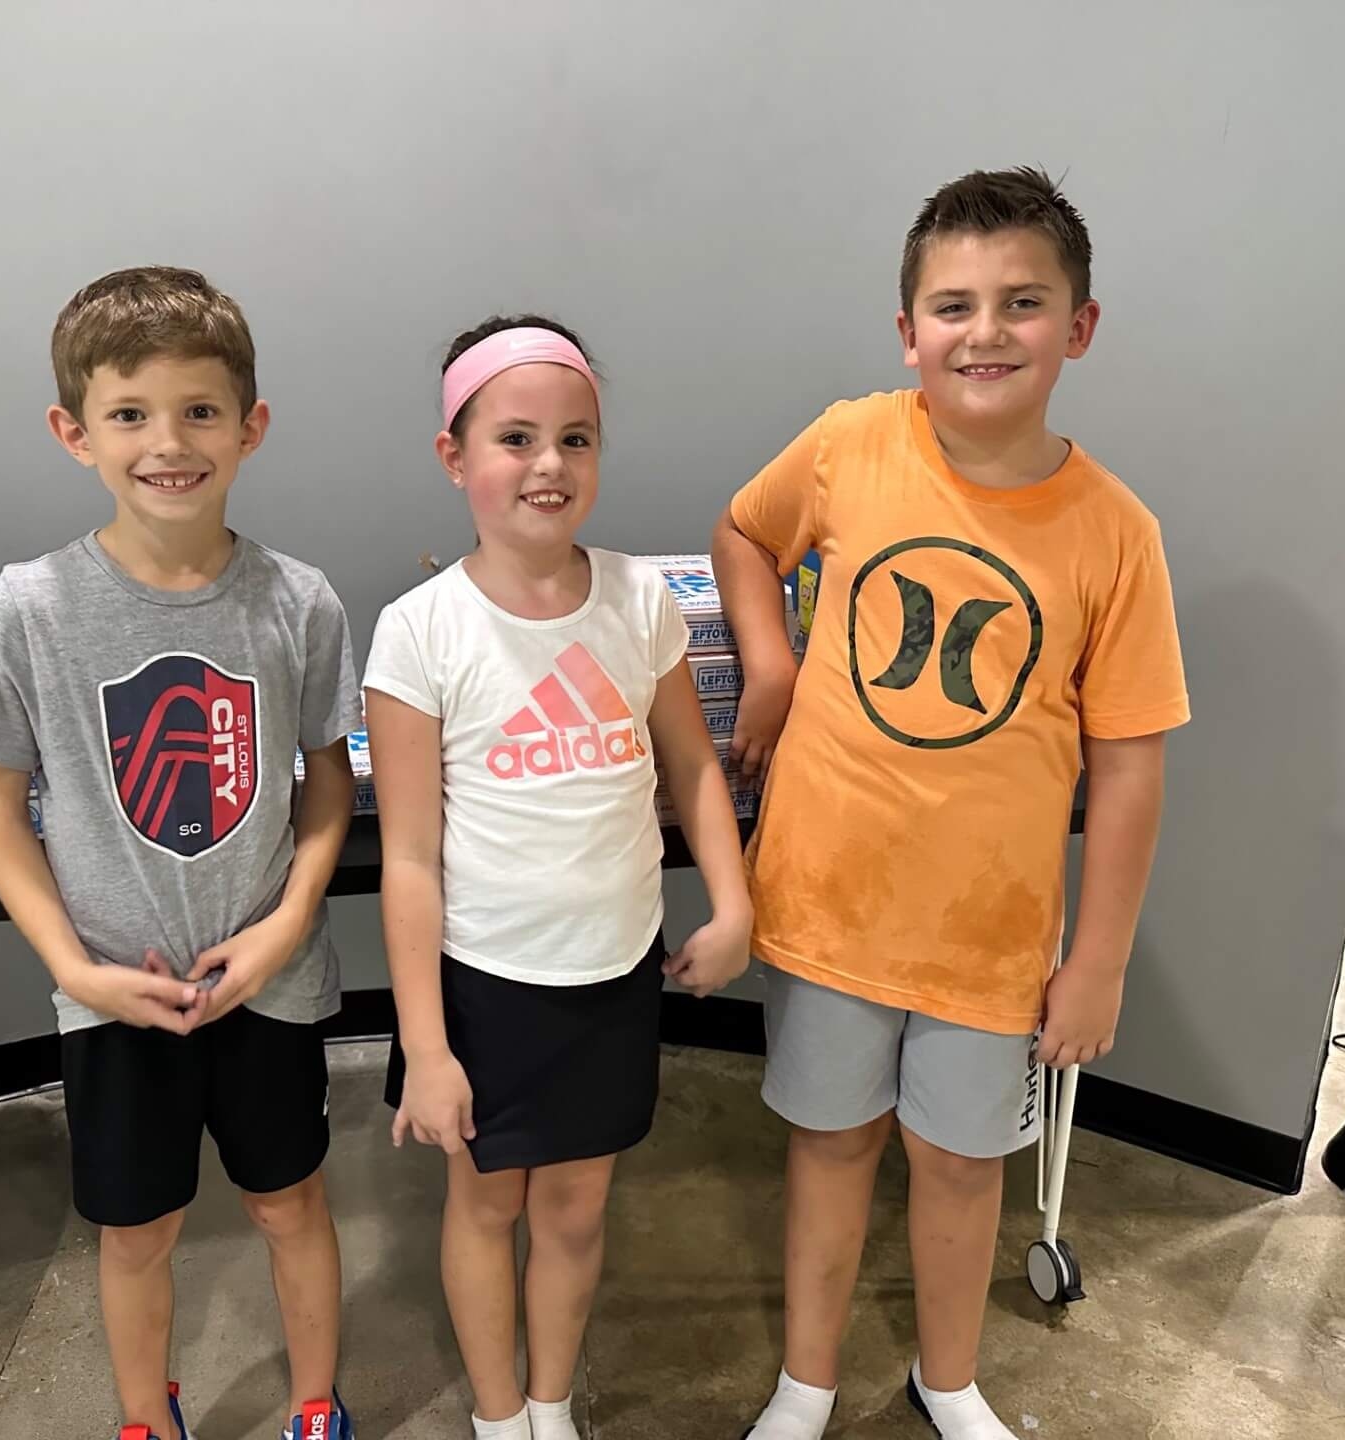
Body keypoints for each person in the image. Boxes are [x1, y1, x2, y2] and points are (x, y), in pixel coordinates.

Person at [714, 169, 1190, 1439]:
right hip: (826, 905)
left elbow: (1133, 764)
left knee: (963, 1163)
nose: (985, 332)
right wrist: (771, 665)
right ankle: (806, 1380)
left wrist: (1098, 961)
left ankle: (949, 1375)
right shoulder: (852, 441)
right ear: (909, 329)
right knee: (827, 1147)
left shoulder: (1116, 534)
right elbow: (746, 536)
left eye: (1022, 302)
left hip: (990, 940)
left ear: (1078, 327)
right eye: (954, 305)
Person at [0, 267, 360, 1440]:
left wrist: (283, 927)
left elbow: (329, 783)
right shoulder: (32, 608)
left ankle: (318, 1405)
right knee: (138, 1230)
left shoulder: (301, 602)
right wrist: (73, 967)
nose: (168, 443)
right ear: (75, 432)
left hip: (266, 986)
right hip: (114, 993)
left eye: (200, 411)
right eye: (130, 415)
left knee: (290, 1204)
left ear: (250, 426)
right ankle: (142, 1417)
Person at [363, 316, 753, 1440]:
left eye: (575, 439)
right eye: (516, 437)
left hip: (613, 977)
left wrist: (733, 904)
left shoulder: (639, 601)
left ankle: (550, 1406)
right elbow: (411, 861)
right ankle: (496, 1419)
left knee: (578, 1207)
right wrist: (428, 1050)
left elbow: (689, 765)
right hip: (485, 988)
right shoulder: (420, 632)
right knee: (486, 1207)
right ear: (456, 456)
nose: (548, 465)